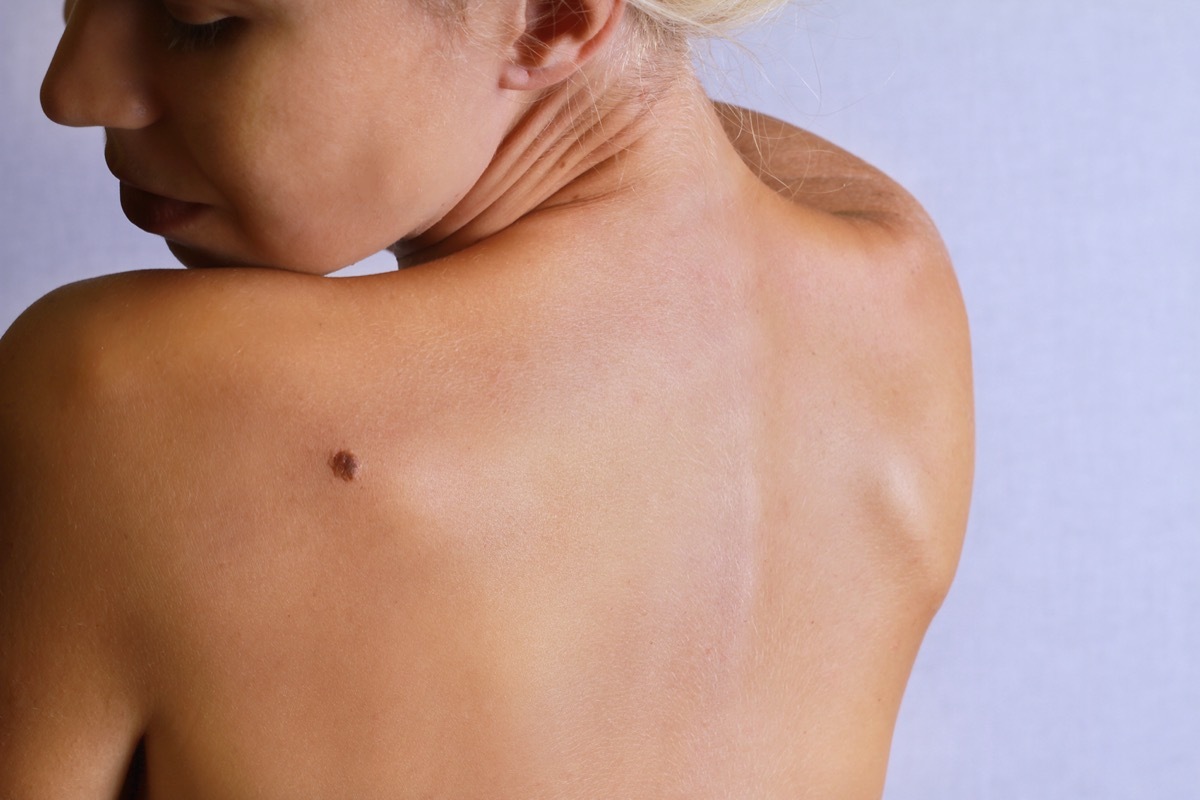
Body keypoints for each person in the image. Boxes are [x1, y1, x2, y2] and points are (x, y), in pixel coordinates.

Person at [0, 0, 973, 795]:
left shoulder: (123, 394)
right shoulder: (896, 288)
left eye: (197, 21)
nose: (71, 92)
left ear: (552, 19)